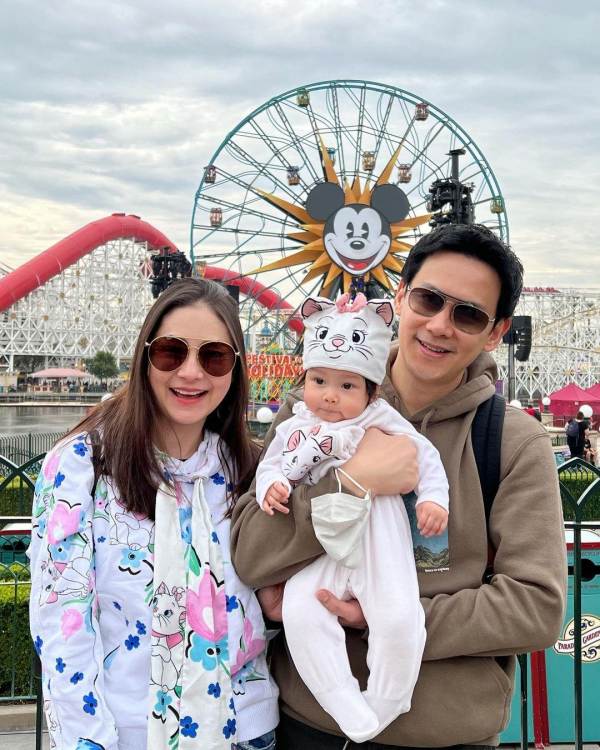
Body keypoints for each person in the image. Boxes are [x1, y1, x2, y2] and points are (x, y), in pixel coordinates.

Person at [231, 223, 567, 749]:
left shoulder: (512, 442)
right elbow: (251, 554)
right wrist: (352, 481)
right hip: (310, 727)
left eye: (468, 314)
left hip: (447, 735)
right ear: (401, 296)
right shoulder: (313, 408)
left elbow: (536, 606)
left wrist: (391, 618)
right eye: (429, 299)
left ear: (496, 332)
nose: (440, 325)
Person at [28, 278, 278, 750]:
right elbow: (62, 623)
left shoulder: (252, 471)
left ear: (235, 369)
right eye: (170, 352)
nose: (191, 372)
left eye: (214, 356)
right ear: (145, 357)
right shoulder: (83, 465)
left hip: (243, 728)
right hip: (126, 733)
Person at [255, 292, 448, 742]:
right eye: (319, 380)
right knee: (301, 611)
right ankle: (340, 697)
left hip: (378, 537)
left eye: (347, 387)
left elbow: (424, 455)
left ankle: (387, 698)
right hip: (320, 546)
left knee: (399, 616)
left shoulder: (381, 419)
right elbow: (270, 465)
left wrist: (433, 499)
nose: (329, 395)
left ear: (370, 392)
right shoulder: (294, 424)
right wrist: (271, 486)